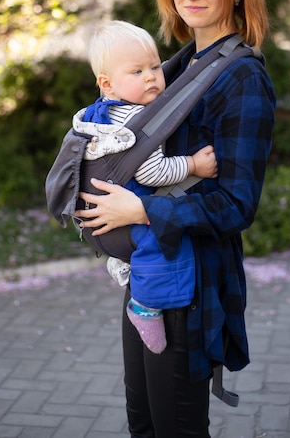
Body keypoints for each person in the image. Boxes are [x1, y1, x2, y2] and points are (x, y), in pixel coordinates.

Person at [75, 0, 276, 438]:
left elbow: (237, 203)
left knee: (175, 429)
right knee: (143, 423)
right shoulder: (175, 67)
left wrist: (141, 210)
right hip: (147, 271)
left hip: (191, 283)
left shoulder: (242, 78)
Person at [73, 19, 218, 354]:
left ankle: (127, 263)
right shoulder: (136, 121)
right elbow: (152, 173)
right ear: (107, 84)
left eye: (155, 66)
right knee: (167, 239)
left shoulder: (100, 112)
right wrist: (194, 165)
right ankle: (145, 307)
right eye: (137, 72)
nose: (152, 76)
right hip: (121, 213)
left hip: (97, 216)